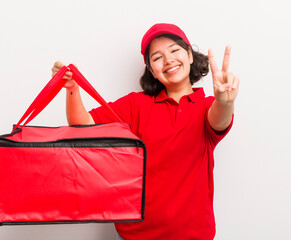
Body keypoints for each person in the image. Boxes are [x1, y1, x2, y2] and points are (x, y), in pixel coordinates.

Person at [52, 23, 239, 240]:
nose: (168, 60)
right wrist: (72, 88)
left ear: (189, 55)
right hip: (134, 235)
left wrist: (225, 101)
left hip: (192, 235)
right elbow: (82, 125)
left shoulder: (207, 106)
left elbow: (219, 118)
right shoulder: (136, 105)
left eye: (175, 50)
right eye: (157, 58)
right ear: (151, 69)